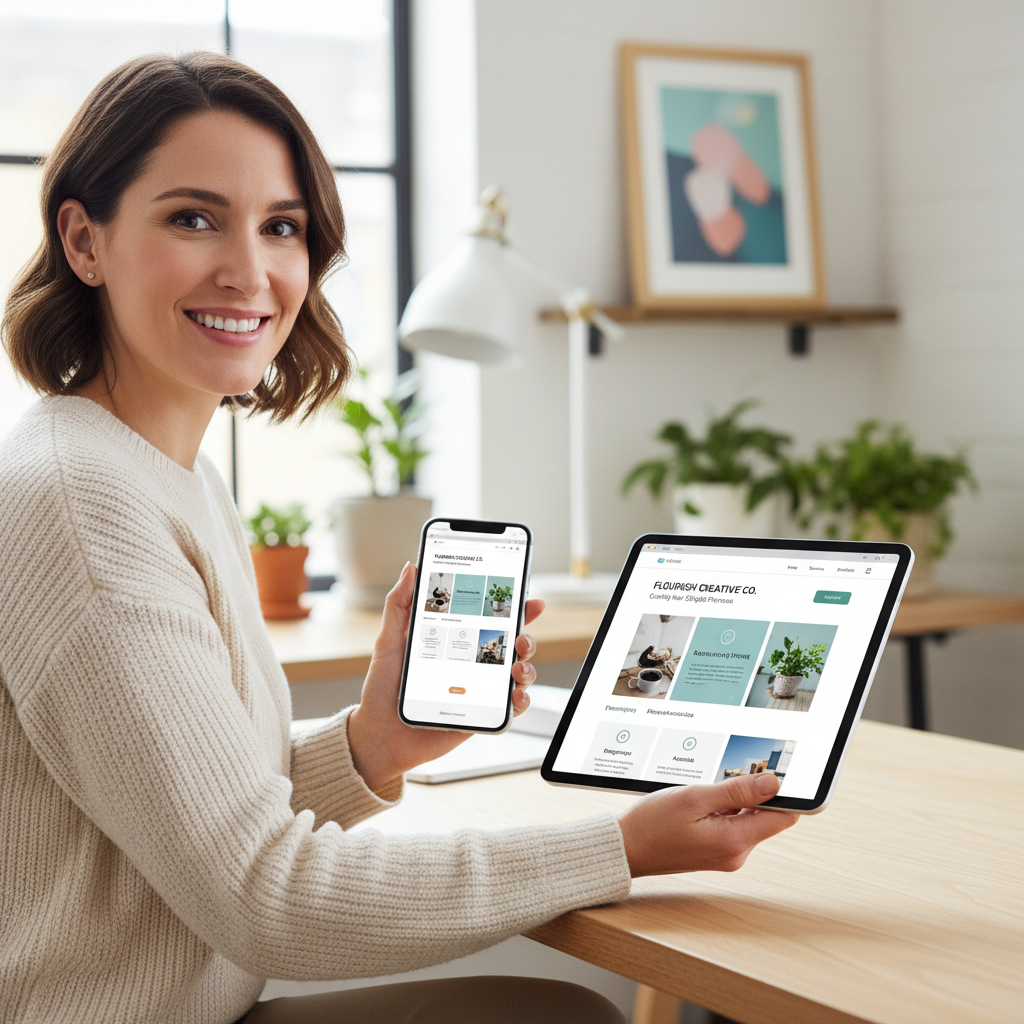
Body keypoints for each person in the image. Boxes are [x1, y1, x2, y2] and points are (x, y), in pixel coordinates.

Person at [0, 53, 798, 1024]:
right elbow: (269, 899)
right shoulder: (83, 501)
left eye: (281, 227)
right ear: (84, 240)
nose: (250, 271)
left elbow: (193, 810)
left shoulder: (163, 472)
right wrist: (620, 844)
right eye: (193, 217)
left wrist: (371, 743)